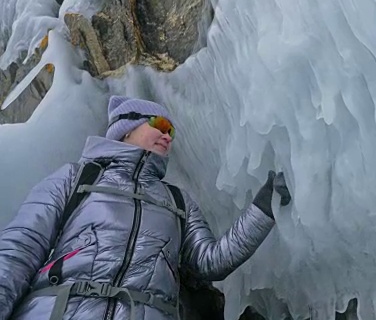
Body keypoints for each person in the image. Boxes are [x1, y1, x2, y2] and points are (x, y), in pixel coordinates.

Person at [0, 95, 291, 320]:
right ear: (125, 128)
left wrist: (264, 207)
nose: (167, 136)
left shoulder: (179, 201)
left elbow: (210, 262)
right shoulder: (76, 178)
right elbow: (19, 249)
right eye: (160, 126)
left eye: (171, 133)